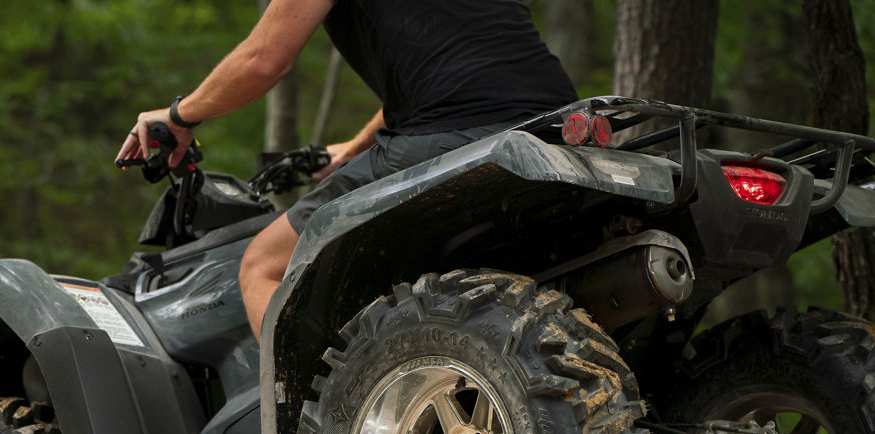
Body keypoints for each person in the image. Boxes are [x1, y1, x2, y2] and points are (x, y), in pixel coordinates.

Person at [115, 0, 577, 340]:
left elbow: (264, 60)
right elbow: (462, 66)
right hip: (552, 125)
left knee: (263, 266)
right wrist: (354, 149)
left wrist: (178, 116)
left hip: (453, 135)